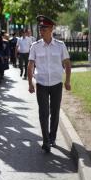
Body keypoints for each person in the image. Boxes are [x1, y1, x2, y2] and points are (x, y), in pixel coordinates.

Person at [27, 15, 71, 153]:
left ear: (51, 29)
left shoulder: (60, 45)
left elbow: (67, 64)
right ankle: (46, 141)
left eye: (44, 28)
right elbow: (30, 66)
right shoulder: (35, 46)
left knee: (55, 111)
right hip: (42, 84)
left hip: (57, 83)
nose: (42, 30)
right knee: (44, 112)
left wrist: (67, 81)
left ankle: (52, 137)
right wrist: (30, 83)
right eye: (40, 28)